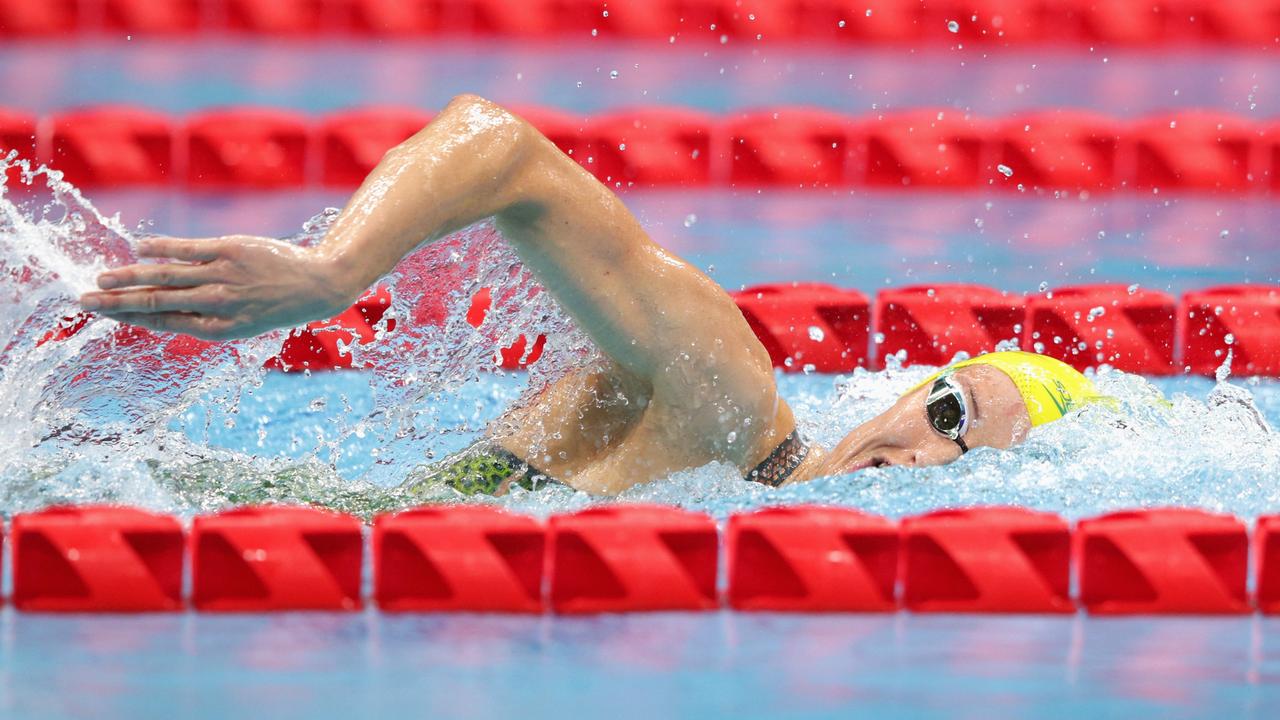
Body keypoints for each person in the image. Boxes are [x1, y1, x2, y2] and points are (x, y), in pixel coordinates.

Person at [78, 95, 1101, 497]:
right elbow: (503, 150)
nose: (925, 451)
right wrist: (330, 275)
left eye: (964, 459)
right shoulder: (730, 402)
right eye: (948, 409)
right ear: (904, 390)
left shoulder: (739, 511)